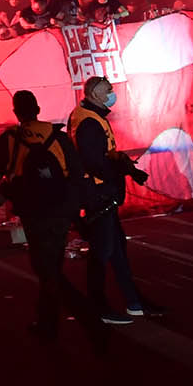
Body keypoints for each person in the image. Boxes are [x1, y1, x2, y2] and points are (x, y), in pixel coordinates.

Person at [0, 91, 108, 344]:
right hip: (60, 212)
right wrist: (78, 212)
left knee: (46, 270)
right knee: (51, 267)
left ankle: (90, 321)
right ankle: (48, 324)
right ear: (38, 109)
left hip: (33, 213)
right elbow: (77, 175)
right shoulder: (57, 137)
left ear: (16, 112)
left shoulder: (10, 138)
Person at [68, 75, 158, 320]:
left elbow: (103, 156)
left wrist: (125, 167)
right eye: (108, 90)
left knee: (116, 248)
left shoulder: (87, 116)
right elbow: (95, 162)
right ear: (96, 94)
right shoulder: (88, 122)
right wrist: (119, 171)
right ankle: (99, 307)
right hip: (99, 194)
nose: (112, 93)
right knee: (103, 251)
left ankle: (134, 301)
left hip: (101, 192)